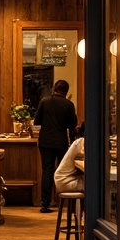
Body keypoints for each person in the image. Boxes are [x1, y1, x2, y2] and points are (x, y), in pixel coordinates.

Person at [33, 79, 78, 212]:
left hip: (45, 141)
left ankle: (44, 204)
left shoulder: (44, 102)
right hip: (61, 142)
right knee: (64, 171)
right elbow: (72, 125)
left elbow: (37, 121)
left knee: (47, 171)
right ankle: (63, 201)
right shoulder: (68, 105)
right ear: (66, 91)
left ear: (54, 88)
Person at [53, 122, 85, 196]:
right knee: (97, 185)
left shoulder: (79, 141)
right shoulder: (81, 142)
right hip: (66, 181)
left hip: (62, 179)